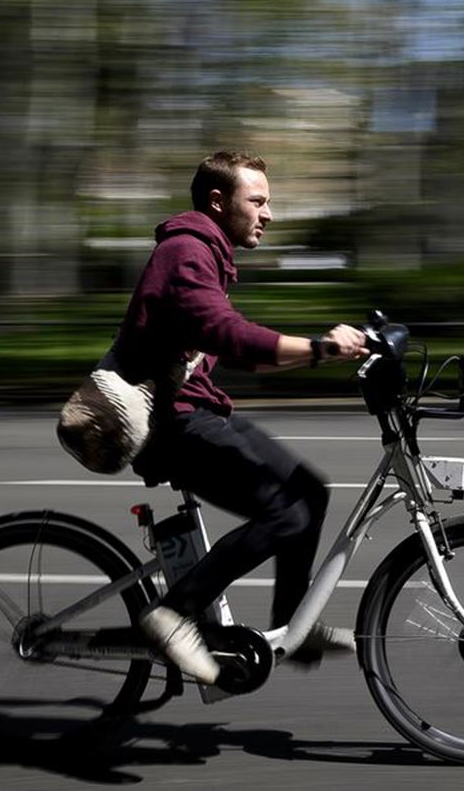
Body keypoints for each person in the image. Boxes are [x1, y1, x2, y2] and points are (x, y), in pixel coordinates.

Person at [116, 150, 368, 684]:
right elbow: (224, 332)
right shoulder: (185, 252)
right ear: (218, 201)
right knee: (287, 513)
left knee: (311, 491)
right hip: (171, 422)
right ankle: (172, 614)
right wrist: (319, 347)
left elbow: (235, 349)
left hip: (198, 410)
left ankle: (290, 626)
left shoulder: (206, 253)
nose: (268, 213)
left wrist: (322, 352)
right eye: (258, 200)